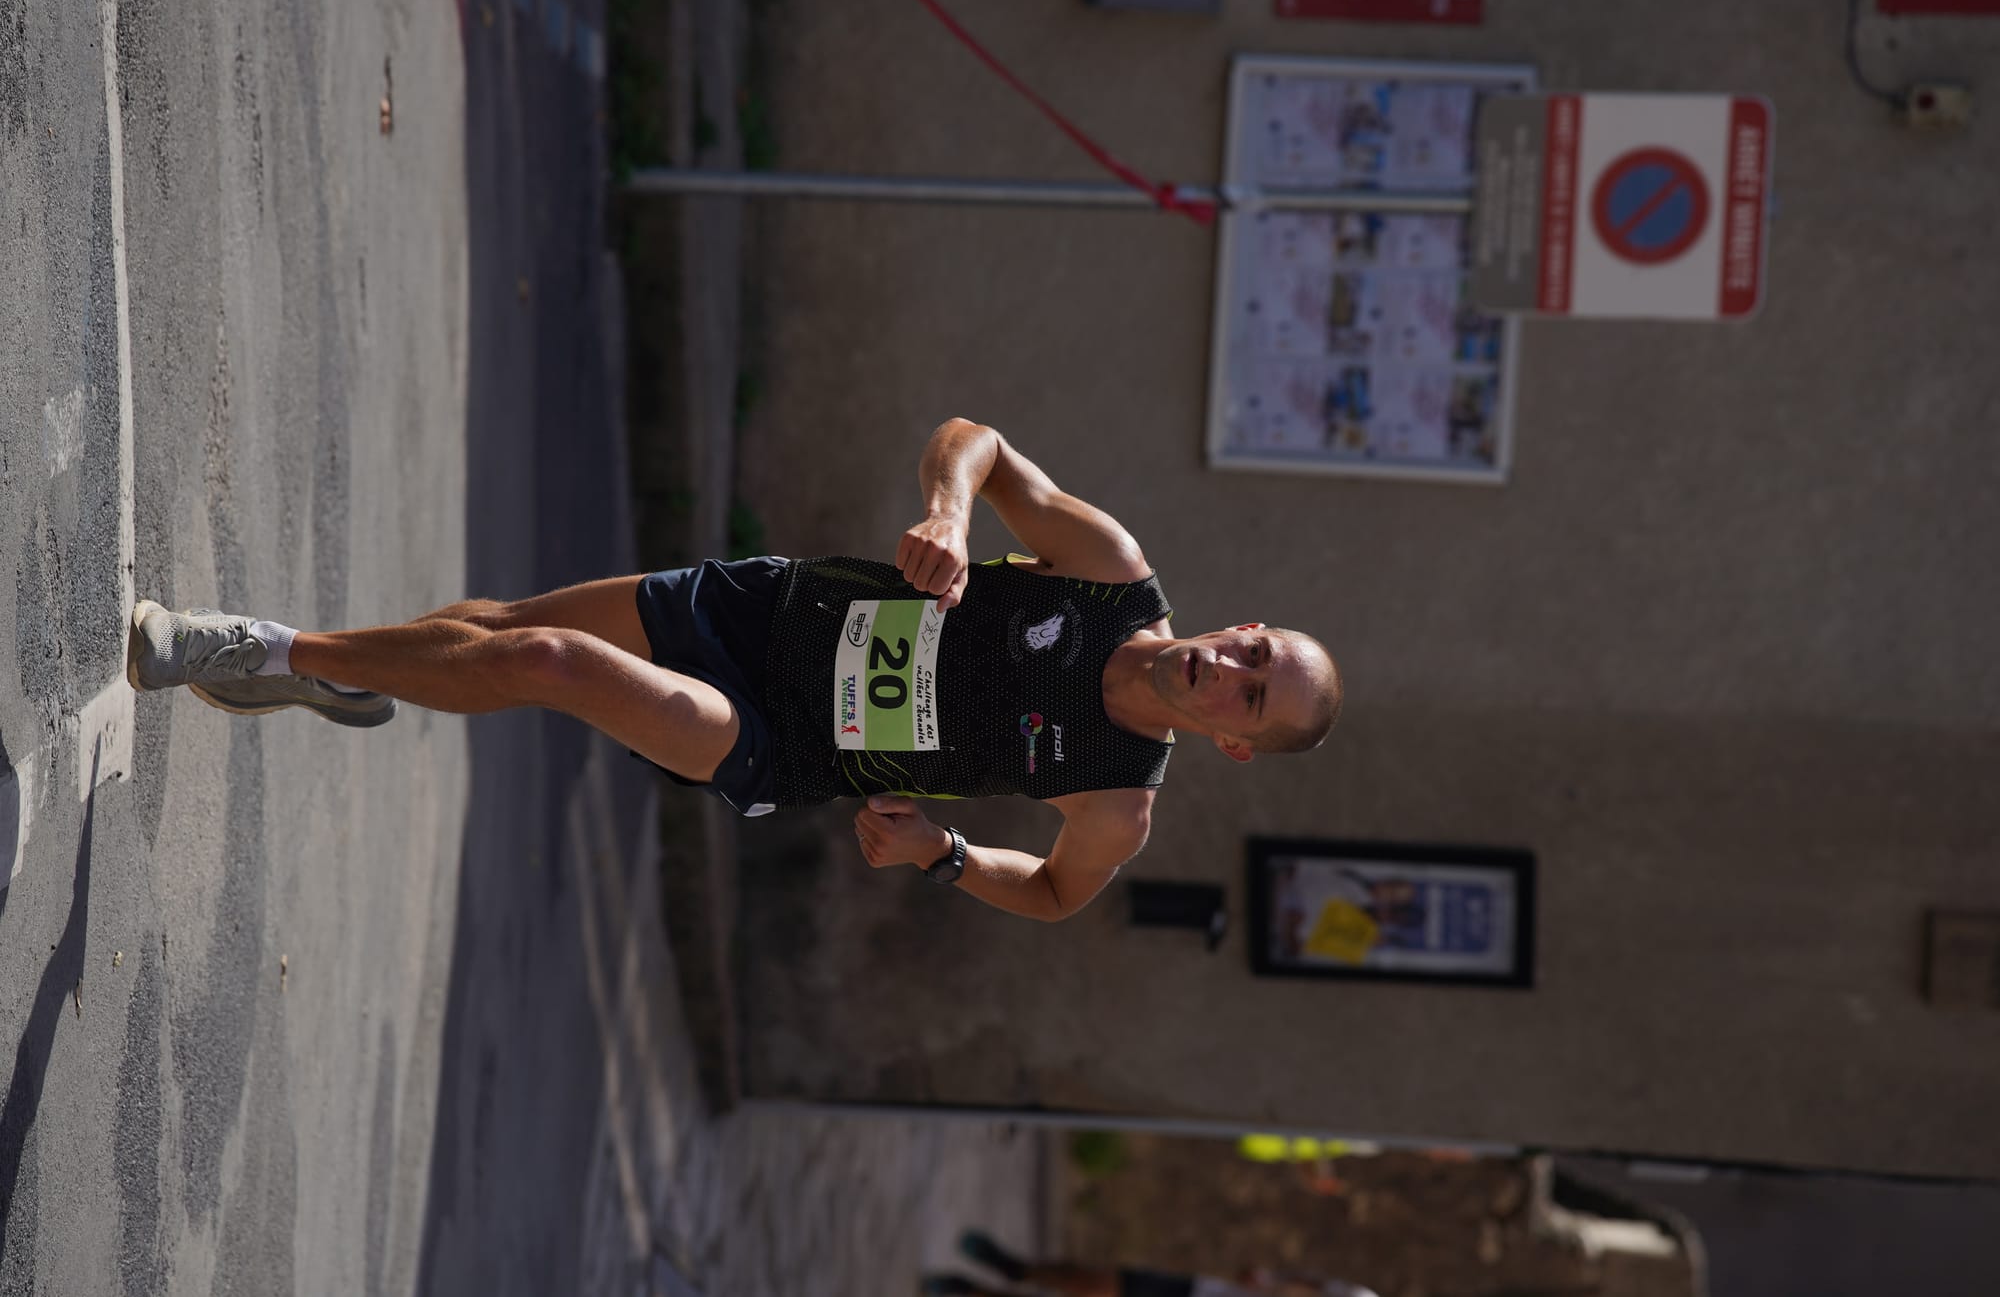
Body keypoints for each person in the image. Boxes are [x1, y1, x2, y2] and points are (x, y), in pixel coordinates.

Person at [125, 419, 1342, 921]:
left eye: (1252, 693)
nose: (1230, 666)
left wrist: (949, 852)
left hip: (776, 739)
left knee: (548, 658)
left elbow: (1058, 893)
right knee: (498, 625)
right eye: (1254, 648)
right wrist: (949, 512)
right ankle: (337, 674)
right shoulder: (1109, 573)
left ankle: (261, 648)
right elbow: (976, 444)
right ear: (1239, 622)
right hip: (769, 612)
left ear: (1233, 740)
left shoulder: (1116, 796)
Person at [924, 1230, 1380, 1297]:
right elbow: (1310, 1285)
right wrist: (1272, 1279)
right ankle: (1018, 1269)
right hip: (1201, 1295)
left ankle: (972, 1292)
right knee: (1094, 1281)